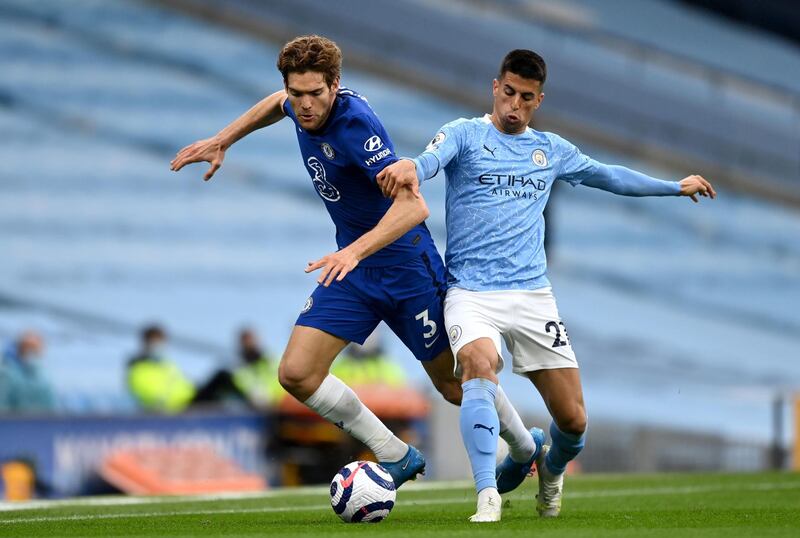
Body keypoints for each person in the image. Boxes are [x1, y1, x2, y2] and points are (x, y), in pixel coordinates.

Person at [170, 35, 537, 488]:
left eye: (315, 94)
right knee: (297, 374)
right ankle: (394, 454)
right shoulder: (298, 104)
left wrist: (354, 249)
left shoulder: (356, 128)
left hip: (406, 269)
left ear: (335, 85)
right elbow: (274, 104)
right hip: (355, 269)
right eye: (296, 93)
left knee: (454, 386)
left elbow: (414, 208)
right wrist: (223, 139)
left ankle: (524, 447)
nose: (304, 106)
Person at [377, 49, 716, 521]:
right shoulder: (465, 134)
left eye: (527, 98)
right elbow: (432, 161)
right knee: (476, 365)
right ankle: (487, 495)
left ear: (540, 100)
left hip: (533, 298)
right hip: (471, 294)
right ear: (496, 87)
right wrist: (412, 166)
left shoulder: (551, 150)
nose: (515, 105)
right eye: (509, 93)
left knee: (574, 423)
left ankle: (550, 471)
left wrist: (673, 186)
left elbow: (609, 176)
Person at [127, 324, 245, 413]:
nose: (160, 346)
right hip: (178, 407)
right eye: (156, 342)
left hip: (189, 399)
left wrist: (195, 388)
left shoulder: (165, 364)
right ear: (145, 343)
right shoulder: (137, 369)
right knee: (222, 377)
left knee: (221, 387)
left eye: (161, 342)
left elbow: (182, 384)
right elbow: (151, 397)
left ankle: (248, 406)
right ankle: (253, 406)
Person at [0, 330, 56, 414]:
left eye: (34, 348)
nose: (31, 352)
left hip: (42, 424)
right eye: (27, 347)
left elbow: (53, 409)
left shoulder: (45, 378)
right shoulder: (8, 375)